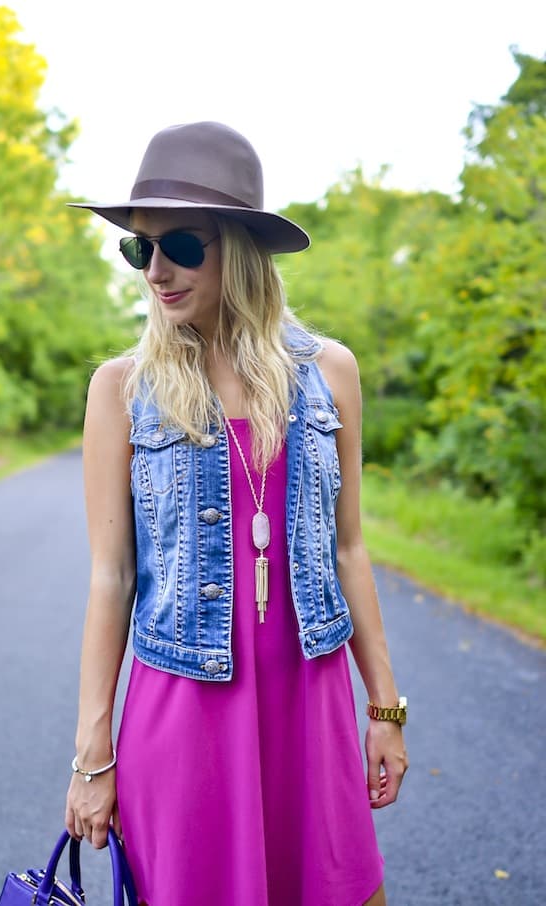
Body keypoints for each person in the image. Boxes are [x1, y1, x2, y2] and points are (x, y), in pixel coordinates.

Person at [65, 121, 408, 906]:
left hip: (309, 700)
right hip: (183, 713)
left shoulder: (330, 373)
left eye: (180, 244)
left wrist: (385, 707)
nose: (156, 269)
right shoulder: (120, 389)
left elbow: (350, 550)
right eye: (137, 249)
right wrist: (93, 754)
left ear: (241, 247)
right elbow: (111, 578)